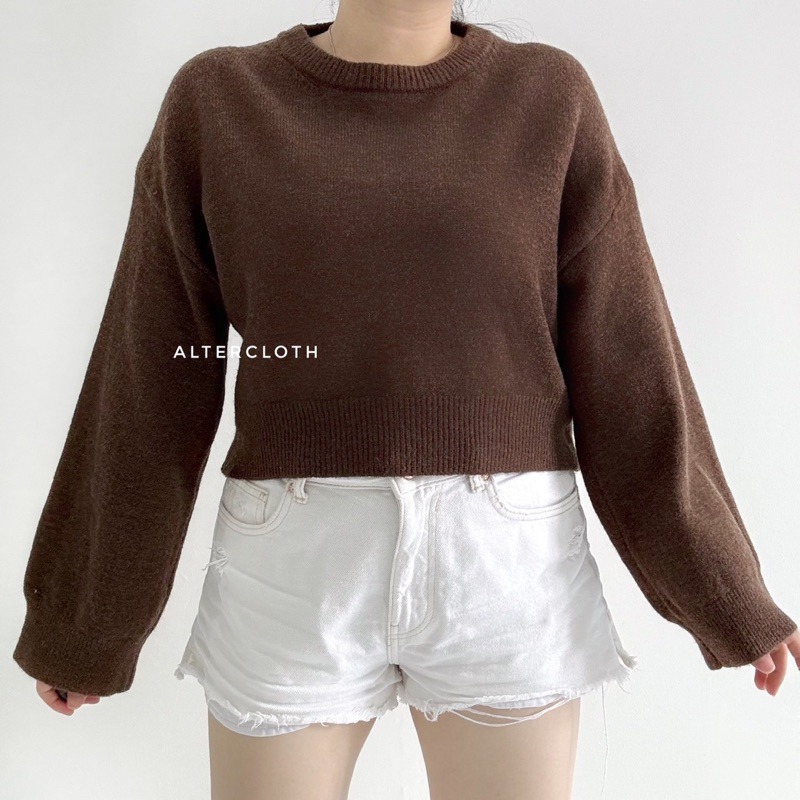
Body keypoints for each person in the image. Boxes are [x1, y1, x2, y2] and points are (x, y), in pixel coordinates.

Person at [14, 2, 799, 799]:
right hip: (293, 565)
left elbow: (628, 366)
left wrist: (728, 594)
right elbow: (152, 372)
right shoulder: (220, 100)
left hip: (504, 563)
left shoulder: (547, 96)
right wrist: (82, 621)